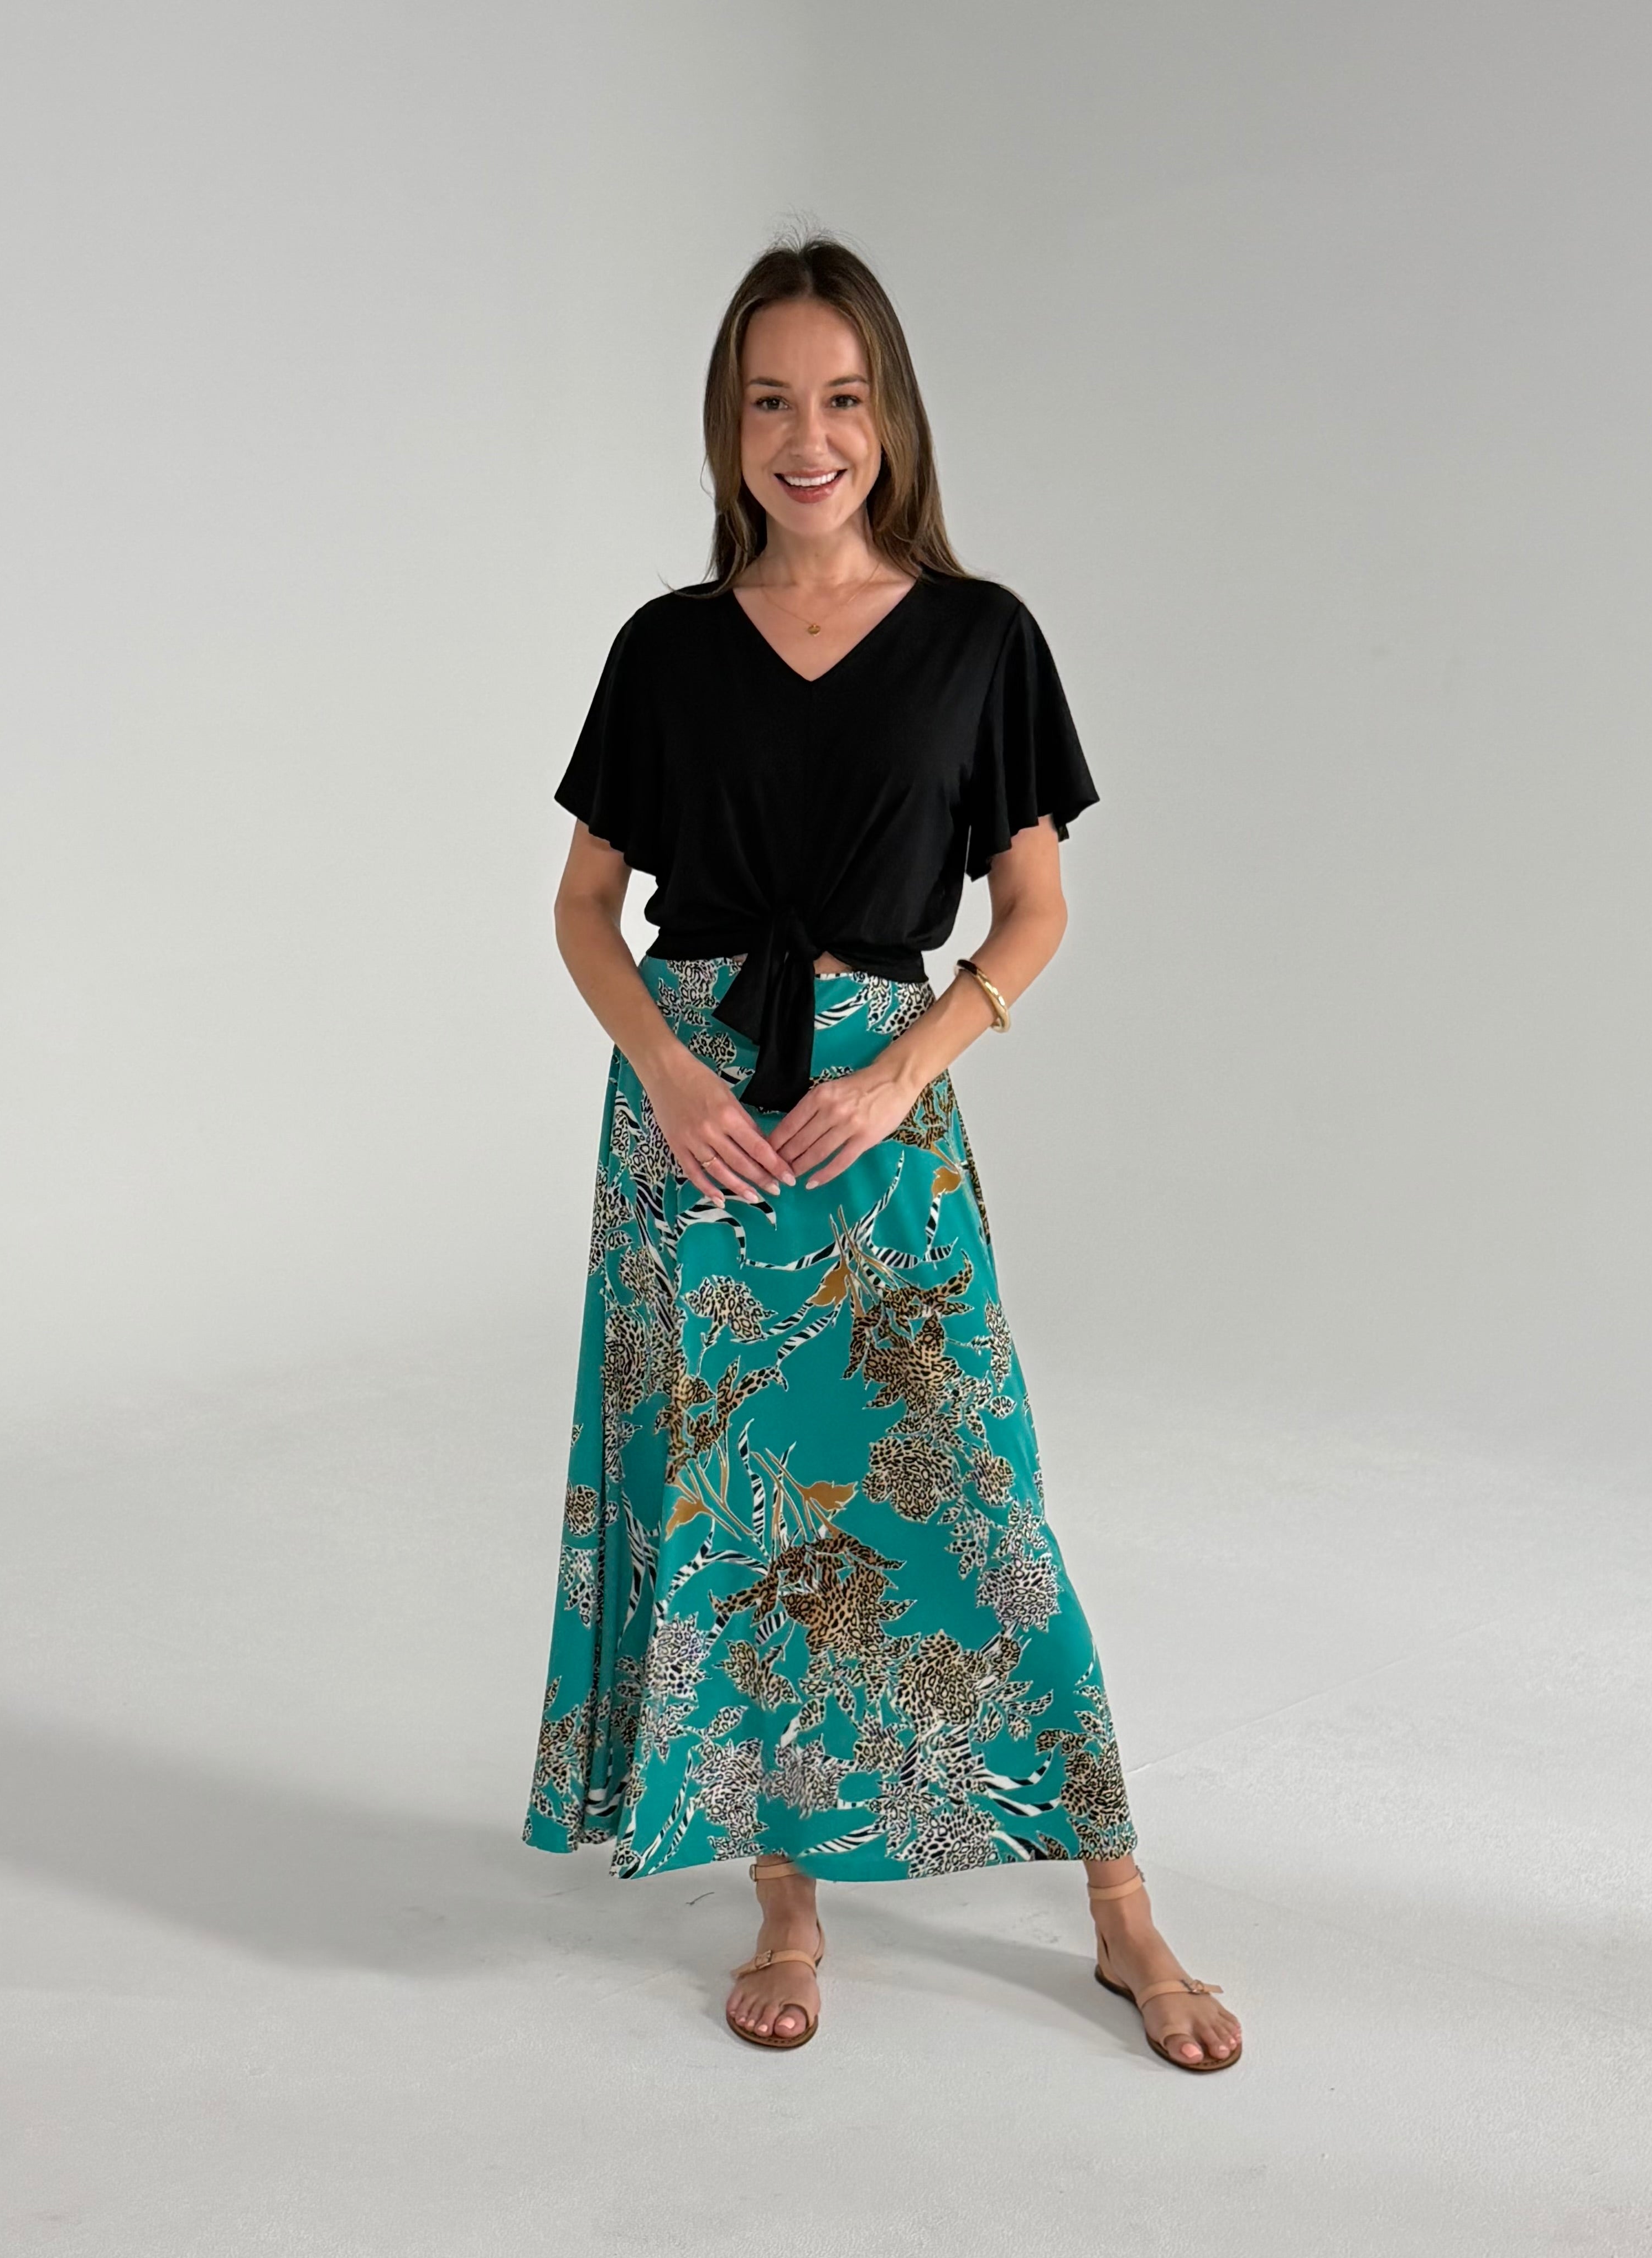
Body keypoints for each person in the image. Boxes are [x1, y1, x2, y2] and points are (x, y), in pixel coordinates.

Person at [521, 237, 1243, 2074]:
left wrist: (911, 1066)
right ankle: (782, 1889)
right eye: (769, 399)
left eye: (841, 397)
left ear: (891, 416)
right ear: (727, 423)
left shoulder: (981, 636)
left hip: (875, 1109)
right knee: (737, 1515)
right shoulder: (665, 647)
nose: (806, 435)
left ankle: (1120, 1902)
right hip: (692, 1131)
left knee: (976, 1496)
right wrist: (668, 1074)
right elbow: (587, 910)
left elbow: (1033, 908)